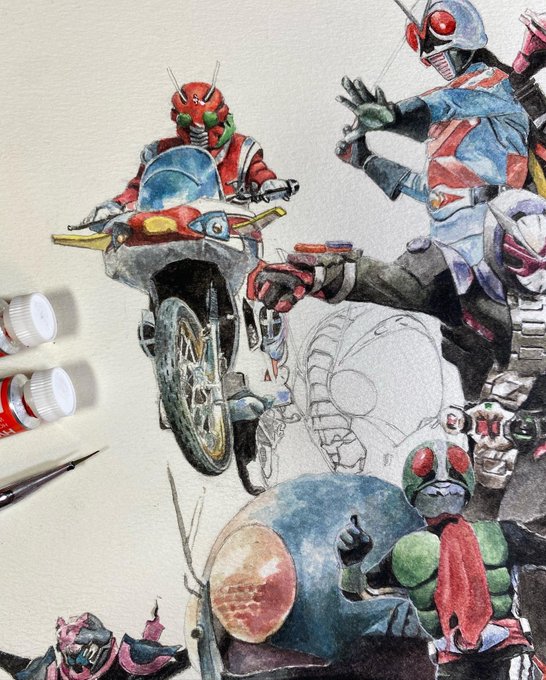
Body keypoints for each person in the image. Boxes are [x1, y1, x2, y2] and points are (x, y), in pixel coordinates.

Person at [336, 0, 529, 267]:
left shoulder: (498, 85)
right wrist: (367, 160)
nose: (435, 57)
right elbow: (433, 191)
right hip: (447, 243)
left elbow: (450, 101)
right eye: (428, 50)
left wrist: (395, 116)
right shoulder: (445, 124)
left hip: (502, 236)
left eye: (443, 49)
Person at [336, 439, 546, 680]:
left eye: (453, 476)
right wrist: (351, 563)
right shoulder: (406, 552)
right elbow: (357, 592)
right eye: (430, 479)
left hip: (508, 654)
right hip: (452, 662)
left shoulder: (500, 534)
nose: (443, 486)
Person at [82, 79, 298, 225]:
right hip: (175, 228)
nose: (198, 129)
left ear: (222, 116)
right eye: (187, 122)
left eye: (208, 121)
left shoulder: (242, 149)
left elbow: (258, 171)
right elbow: (139, 187)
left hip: (230, 229)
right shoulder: (160, 152)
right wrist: (116, 205)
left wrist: (268, 183)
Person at [0, 609, 188, 680]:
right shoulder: (52, 676)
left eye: (80, 651)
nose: (77, 660)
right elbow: (14, 664)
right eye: (70, 654)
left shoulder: (128, 669)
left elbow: (183, 661)